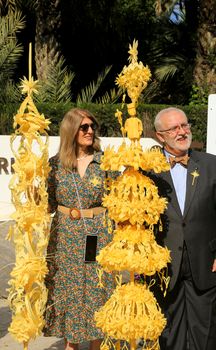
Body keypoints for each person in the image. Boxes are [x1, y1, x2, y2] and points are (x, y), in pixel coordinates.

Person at [43, 108, 115, 350]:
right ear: (71, 130)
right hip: (65, 235)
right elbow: (48, 204)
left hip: (97, 233)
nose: (90, 131)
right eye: (84, 127)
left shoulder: (105, 162)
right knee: (69, 287)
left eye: (92, 126)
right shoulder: (55, 165)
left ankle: (96, 344)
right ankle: (71, 345)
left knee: (96, 288)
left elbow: (116, 201)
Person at [151, 107, 216, 350]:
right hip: (167, 266)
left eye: (184, 125)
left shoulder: (211, 164)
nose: (182, 132)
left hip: (205, 261)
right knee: (170, 334)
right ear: (160, 136)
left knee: (206, 333)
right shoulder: (148, 170)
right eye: (174, 128)